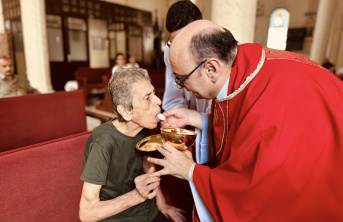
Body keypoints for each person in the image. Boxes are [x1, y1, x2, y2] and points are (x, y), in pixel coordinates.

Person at [148, 20, 343, 221]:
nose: (180, 87)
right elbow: (241, 125)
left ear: (211, 69)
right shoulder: (242, 72)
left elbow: (255, 195)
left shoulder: (270, 107)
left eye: (181, 78)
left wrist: (190, 171)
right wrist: (198, 118)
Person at [79, 67, 186, 222]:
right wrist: (137, 195)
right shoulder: (103, 141)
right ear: (126, 112)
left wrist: (161, 203)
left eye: (154, 93)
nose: (159, 101)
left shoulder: (143, 129)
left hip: (148, 212)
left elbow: (146, 165)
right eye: (147, 98)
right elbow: (86, 214)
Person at [162, 0, 211, 115]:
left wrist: (200, 120)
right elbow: (173, 96)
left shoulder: (215, 51)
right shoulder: (170, 51)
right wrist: (182, 116)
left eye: (183, 42)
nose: (177, 50)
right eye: (173, 42)